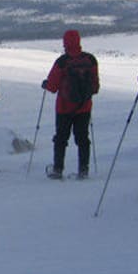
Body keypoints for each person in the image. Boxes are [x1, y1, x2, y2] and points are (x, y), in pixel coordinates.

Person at [42, 30, 99, 179]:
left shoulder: (62, 62)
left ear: (65, 43)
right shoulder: (90, 60)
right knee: (82, 138)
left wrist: (46, 84)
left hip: (64, 107)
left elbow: (52, 87)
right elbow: (95, 87)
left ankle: (58, 169)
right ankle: (83, 170)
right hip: (84, 107)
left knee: (61, 138)